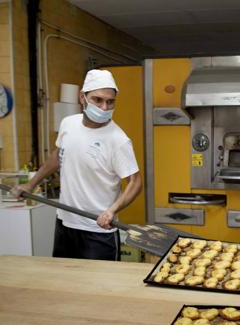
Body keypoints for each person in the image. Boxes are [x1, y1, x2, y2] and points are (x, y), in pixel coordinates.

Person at [12, 69, 142, 261]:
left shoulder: (118, 140)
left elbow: (135, 182)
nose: (105, 107)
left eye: (110, 101)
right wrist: (31, 184)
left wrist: (112, 211)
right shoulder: (68, 124)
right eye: (98, 100)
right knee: (64, 284)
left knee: (98, 290)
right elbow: (57, 157)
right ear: (82, 97)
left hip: (98, 229)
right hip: (65, 223)